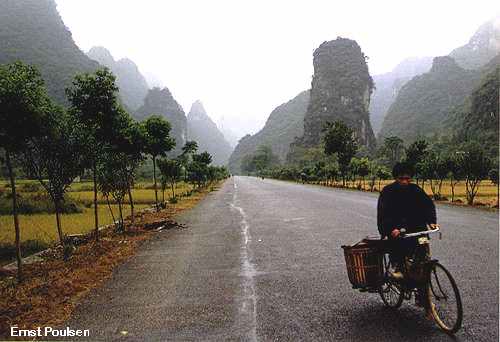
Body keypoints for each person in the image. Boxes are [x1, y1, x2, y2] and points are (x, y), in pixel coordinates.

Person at [377, 162, 438, 279]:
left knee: (423, 248)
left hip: (416, 229)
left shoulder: (416, 190)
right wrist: (391, 229)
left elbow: (428, 205)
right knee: (398, 244)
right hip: (397, 229)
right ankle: (398, 267)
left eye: (407, 178)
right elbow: (383, 214)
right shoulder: (388, 192)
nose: (405, 181)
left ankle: (422, 285)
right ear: (396, 178)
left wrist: (431, 221)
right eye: (401, 178)